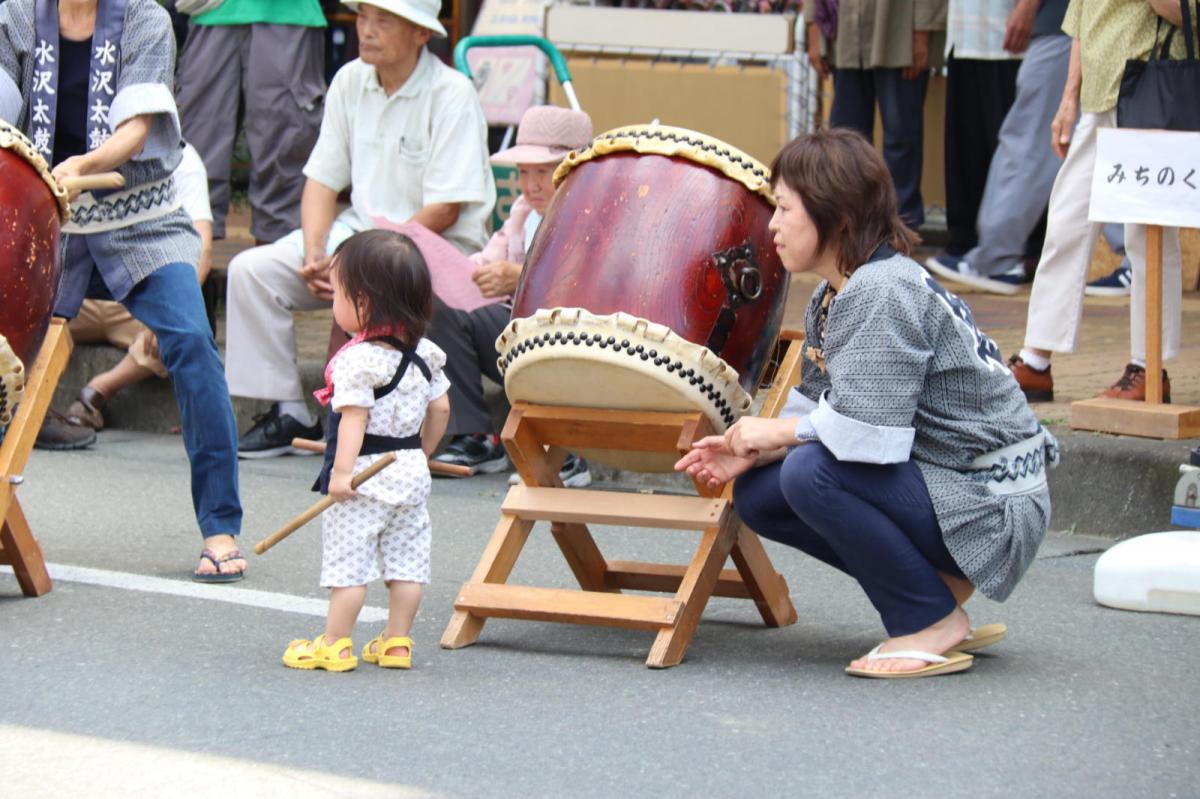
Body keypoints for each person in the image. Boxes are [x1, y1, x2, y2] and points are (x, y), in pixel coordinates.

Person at [676, 129, 1055, 679]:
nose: (772, 225)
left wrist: (772, 434)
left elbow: (870, 432)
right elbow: (818, 409)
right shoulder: (837, 292)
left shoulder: (881, 290)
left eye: (784, 208)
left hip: (991, 504)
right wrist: (751, 451)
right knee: (761, 493)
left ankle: (929, 619)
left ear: (836, 215)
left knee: (810, 473)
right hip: (949, 482)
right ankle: (935, 589)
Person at [0, 0, 246, 582]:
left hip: (140, 216)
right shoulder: (15, 14)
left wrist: (80, 166)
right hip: (40, 217)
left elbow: (136, 130)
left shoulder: (145, 19)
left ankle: (220, 526)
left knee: (192, 342)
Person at [224, 0, 493, 459]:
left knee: (361, 279)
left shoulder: (452, 93)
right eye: (363, 16)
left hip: (433, 246)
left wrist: (356, 263)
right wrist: (315, 252)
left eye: (383, 20)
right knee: (252, 271)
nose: (366, 30)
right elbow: (322, 181)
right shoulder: (350, 79)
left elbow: (446, 209)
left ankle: (356, 416)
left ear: (421, 34)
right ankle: (288, 409)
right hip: (355, 237)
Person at [282, 230, 450, 672]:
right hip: (410, 472)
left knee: (349, 565)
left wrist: (340, 475)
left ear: (363, 302)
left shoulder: (357, 360)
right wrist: (422, 454)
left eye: (338, 294)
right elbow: (441, 409)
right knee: (407, 564)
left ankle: (335, 645)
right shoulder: (427, 353)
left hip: (364, 477)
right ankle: (397, 643)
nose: (334, 304)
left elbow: (353, 420)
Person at [1007, 0, 1186, 402]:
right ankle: (1035, 360)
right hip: (1098, 98)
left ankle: (1148, 366)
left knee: (1150, 236)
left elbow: (1184, 12)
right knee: (1065, 223)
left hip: (1150, 87)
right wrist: (1069, 97)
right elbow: (1082, 19)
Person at [430, 104, 594, 483]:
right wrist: (461, 272)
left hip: (572, 344)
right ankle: (475, 434)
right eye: (523, 172)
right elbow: (490, 256)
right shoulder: (524, 213)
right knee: (445, 308)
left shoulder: (593, 216)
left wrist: (519, 278)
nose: (531, 185)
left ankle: (566, 452)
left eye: (543, 172)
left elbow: (585, 286)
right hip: (518, 339)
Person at [924, 0, 1131, 296]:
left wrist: (1027, 7)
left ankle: (997, 257)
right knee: (1097, 138)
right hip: (1091, 22)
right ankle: (1137, 259)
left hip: (1067, 22)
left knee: (1031, 137)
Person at [36, 142, 213, 442]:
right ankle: (28, 413)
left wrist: (170, 310)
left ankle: (98, 391)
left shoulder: (182, 157)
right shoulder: (65, 141)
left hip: (136, 299)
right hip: (78, 296)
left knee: (184, 328)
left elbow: (202, 250)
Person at [175, 0, 326, 245]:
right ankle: (192, 265)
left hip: (289, 13)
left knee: (284, 152)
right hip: (211, 11)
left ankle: (276, 263)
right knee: (194, 156)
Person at [806, 0, 946, 229]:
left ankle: (901, 228)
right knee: (845, 140)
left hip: (899, 32)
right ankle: (847, 225)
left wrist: (922, 32)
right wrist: (813, 29)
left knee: (901, 137)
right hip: (847, 34)